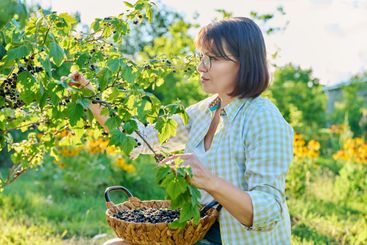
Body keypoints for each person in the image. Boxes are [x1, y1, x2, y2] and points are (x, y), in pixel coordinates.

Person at [70, 17, 294, 245]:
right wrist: (90, 95)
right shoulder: (204, 111)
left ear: (244, 63)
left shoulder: (262, 117)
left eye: (213, 59)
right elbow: (139, 140)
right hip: (199, 231)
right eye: (201, 57)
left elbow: (268, 211)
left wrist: (209, 181)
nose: (201, 67)